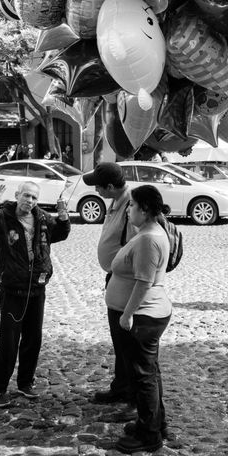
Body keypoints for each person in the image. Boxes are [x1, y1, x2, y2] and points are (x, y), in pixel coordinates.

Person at [0, 181, 71, 407]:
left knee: (33, 339)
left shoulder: (42, 218)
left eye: (34, 197)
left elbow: (60, 234)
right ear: (17, 195)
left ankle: (25, 382)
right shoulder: (1, 218)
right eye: (26, 196)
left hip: (37, 288)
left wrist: (63, 215)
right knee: (9, 342)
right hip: (13, 289)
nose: (30, 201)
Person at [106, 184, 173, 453]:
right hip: (145, 315)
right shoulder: (147, 232)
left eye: (132, 205)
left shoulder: (148, 239)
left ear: (145, 210)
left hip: (143, 317)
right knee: (149, 374)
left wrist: (127, 314)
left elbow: (144, 282)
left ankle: (149, 436)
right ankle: (154, 423)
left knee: (143, 377)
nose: (128, 210)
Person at [84, 162, 138, 406]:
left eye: (98, 186)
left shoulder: (132, 205)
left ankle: (132, 397)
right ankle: (121, 386)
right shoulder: (116, 201)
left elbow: (139, 245)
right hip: (115, 278)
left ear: (109, 186)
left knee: (128, 341)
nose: (95, 190)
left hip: (128, 281)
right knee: (119, 339)